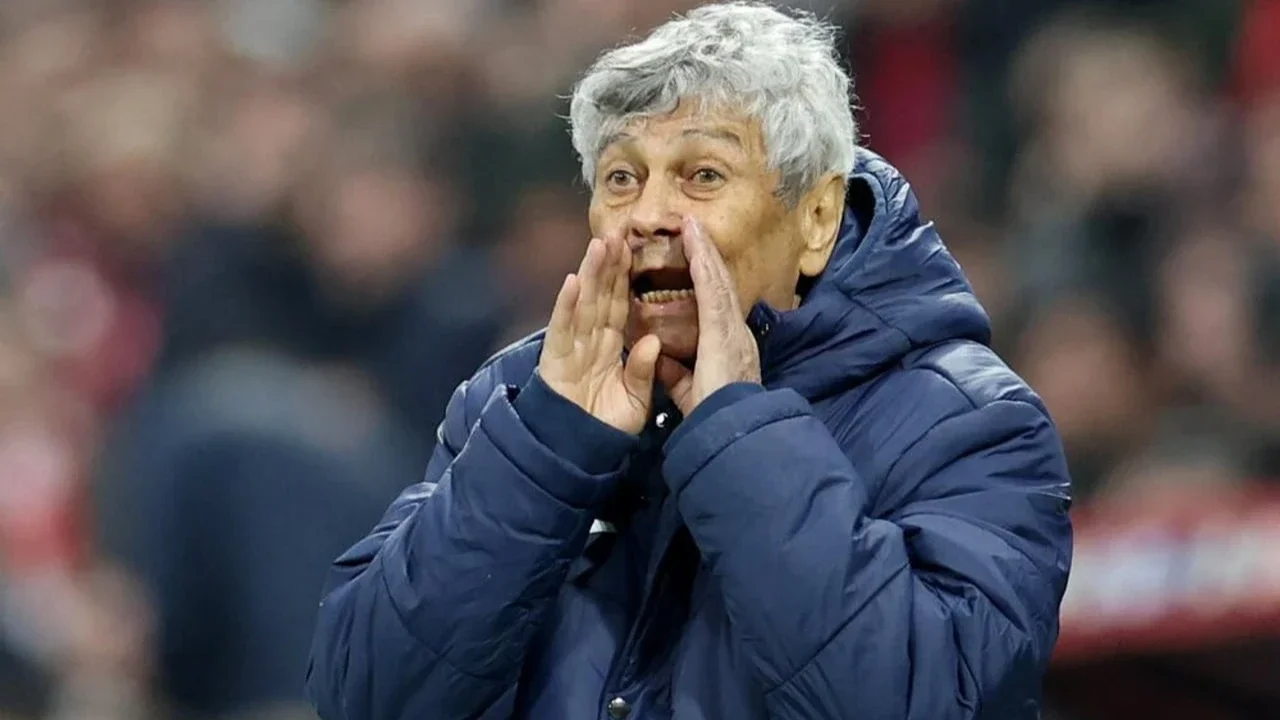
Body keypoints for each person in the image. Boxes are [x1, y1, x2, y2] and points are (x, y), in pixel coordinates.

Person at [305, 3, 1073, 719]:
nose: (648, 215)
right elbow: (367, 696)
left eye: (703, 175)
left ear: (814, 218)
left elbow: (920, 700)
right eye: (622, 178)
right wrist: (548, 451)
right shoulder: (515, 401)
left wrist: (737, 434)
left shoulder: (971, 424)